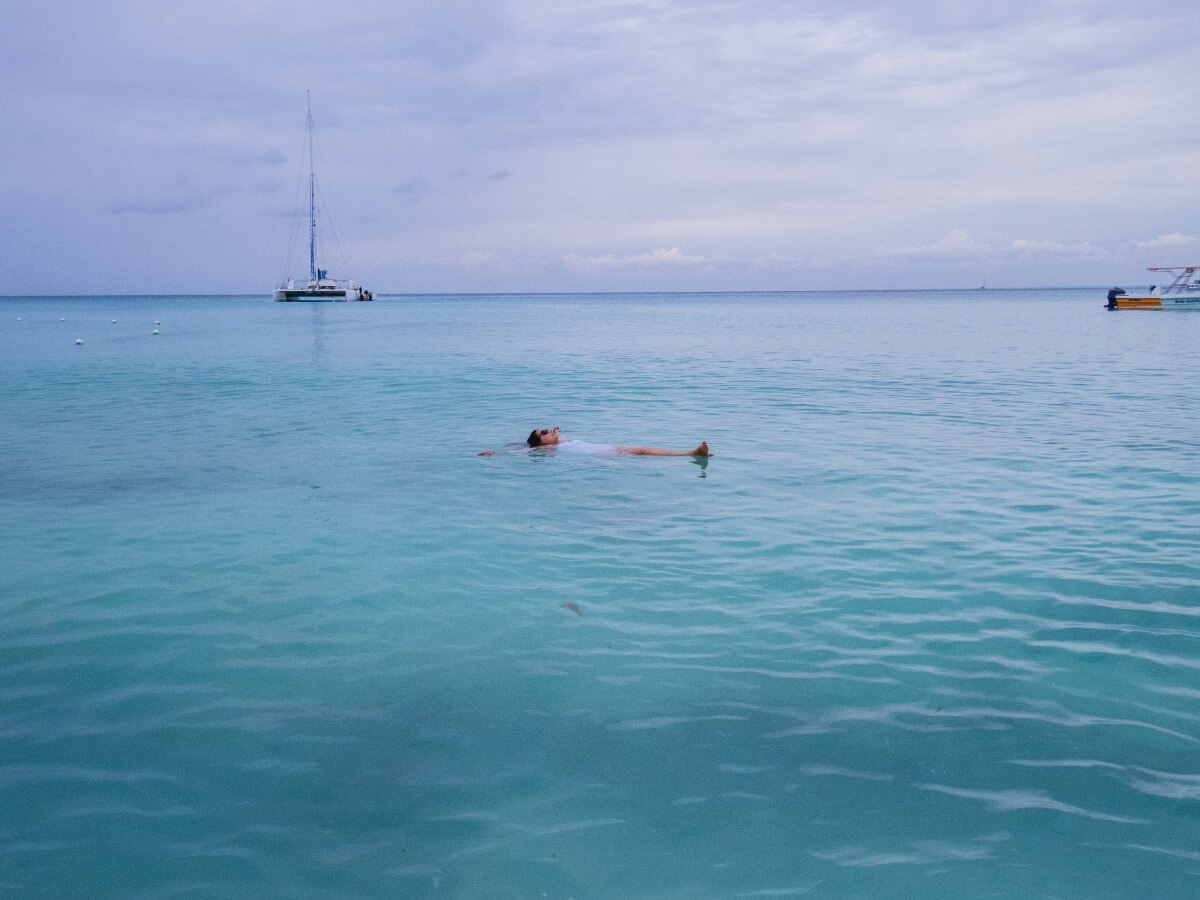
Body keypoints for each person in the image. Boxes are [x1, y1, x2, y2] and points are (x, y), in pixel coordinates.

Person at [478, 426, 710, 457]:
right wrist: (496, 453)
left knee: (639, 449)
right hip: (603, 454)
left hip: (605, 450)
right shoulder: (550, 448)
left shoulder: (559, 442)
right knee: (640, 450)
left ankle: (691, 454)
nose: (552, 430)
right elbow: (524, 451)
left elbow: (529, 446)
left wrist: (555, 432)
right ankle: (690, 454)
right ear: (544, 443)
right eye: (546, 431)